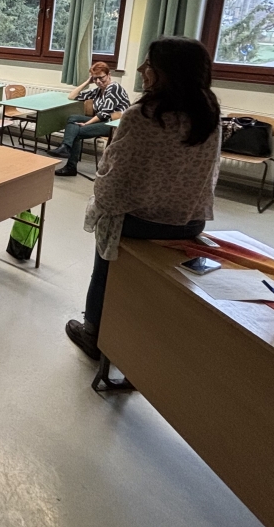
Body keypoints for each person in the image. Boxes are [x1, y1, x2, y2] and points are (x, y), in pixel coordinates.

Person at [65, 37, 222, 361]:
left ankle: (93, 332)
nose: (140, 69)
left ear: (166, 72)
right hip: (190, 221)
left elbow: (114, 180)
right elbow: (210, 174)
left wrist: (100, 202)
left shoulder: (144, 114)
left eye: (148, 64)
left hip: (142, 223)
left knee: (104, 259)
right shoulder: (210, 113)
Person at [47, 61, 132, 176]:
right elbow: (72, 96)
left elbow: (104, 113)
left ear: (109, 75)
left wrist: (87, 124)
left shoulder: (114, 88)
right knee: (72, 118)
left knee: (76, 132)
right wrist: (87, 82)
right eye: (95, 79)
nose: (98, 81)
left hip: (114, 125)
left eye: (101, 78)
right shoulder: (98, 91)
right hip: (103, 121)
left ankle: (70, 164)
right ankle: (65, 147)